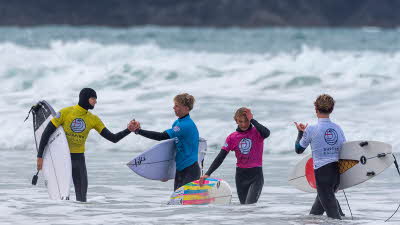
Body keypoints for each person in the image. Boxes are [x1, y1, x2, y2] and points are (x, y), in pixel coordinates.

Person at [36, 88, 132, 202]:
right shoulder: (65, 112)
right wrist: (40, 156)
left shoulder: (93, 119)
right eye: (93, 99)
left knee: (82, 200)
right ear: (86, 98)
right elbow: (46, 133)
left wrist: (129, 130)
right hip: (62, 157)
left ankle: (80, 219)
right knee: (58, 197)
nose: (95, 102)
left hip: (78, 159)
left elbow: (113, 138)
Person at [128, 93, 200, 191]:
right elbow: (172, 147)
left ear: (186, 108)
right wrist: (166, 172)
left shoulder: (185, 125)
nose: (173, 108)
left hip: (190, 169)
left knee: (186, 203)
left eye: (177, 105)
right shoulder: (177, 123)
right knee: (179, 204)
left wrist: (138, 131)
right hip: (180, 169)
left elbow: (161, 136)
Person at [199, 107, 270, 204]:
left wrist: (253, 120)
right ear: (236, 120)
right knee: (243, 208)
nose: (244, 124)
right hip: (241, 176)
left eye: (246, 121)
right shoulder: (232, 138)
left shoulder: (257, 132)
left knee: (249, 206)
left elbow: (267, 133)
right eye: (240, 121)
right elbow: (221, 156)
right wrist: (208, 173)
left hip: (256, 176)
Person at [294, 94, 346, 220]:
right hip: (336, 174)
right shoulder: (337, 128)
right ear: (331, 109)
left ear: (316, 109)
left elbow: (299, 149)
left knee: (335, 219)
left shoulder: (312, 129)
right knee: (314, 215)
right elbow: (344, 151)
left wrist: (300, 132)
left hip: (322, 175)